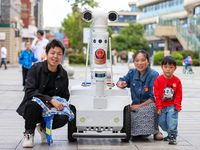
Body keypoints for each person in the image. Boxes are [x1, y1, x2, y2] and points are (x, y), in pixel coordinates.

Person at [16, 39, 70, 148]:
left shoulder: (63, 73)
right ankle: (29, 133)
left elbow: (65, 95)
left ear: (62, 56)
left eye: (59, 54)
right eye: (53, 53)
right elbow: (30, 91)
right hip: (34, 107)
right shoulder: (35, 69)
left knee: (67, 114)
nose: (55, 56)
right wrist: (49, 100)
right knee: (33, 105)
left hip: (52, 108)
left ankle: (44, 128)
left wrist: (57, 103)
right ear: (46, 54)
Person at [117, 50, 163, 140]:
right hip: (135, 105)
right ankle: (137, 132)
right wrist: (120, 83)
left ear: (148, 61)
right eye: (137, 60)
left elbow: (154, 98)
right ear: (134, 62)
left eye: (143, 60)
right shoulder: (132, 73)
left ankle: (155, 131)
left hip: (149, 104)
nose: (140, 63)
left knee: (144, 111)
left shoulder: (154, 75)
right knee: (126, 113)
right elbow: (122, 80)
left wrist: (138, 106)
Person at [153, 56, 182, 145]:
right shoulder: (158, 80)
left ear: (175, 68)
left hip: (172, 105)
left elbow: (178, 94)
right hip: (162, 105)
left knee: (171, 120)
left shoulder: (177, 81)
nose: (168, 69)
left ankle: (173, 135)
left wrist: (178, 105)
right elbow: (156, 94)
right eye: (165, 67)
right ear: (162, 67)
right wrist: (159, 106)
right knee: (161, 122)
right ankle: (169, 133)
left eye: (171, 67)